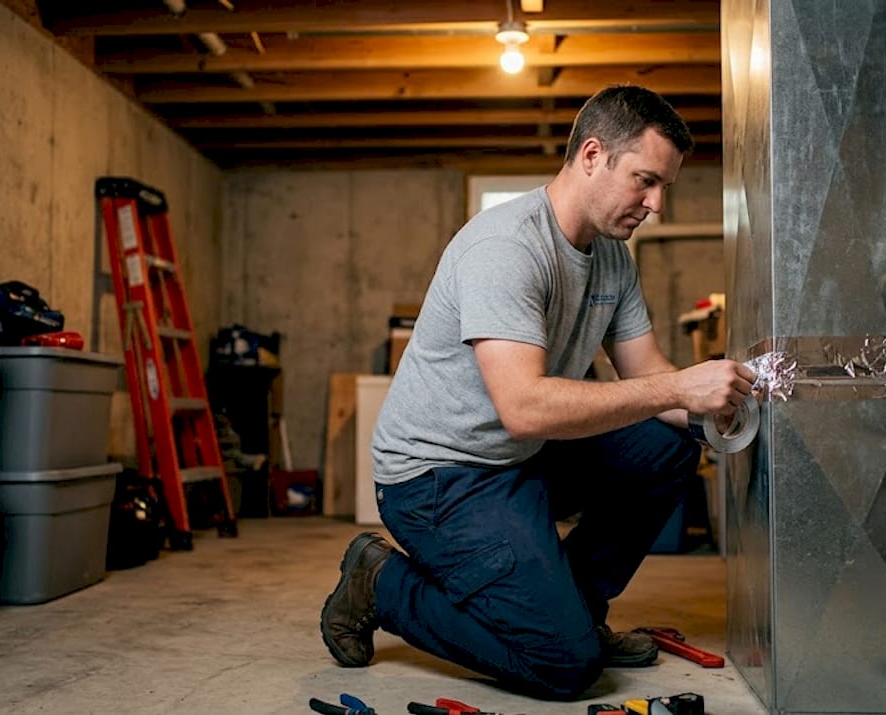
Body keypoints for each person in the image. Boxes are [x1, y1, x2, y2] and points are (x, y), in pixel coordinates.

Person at [319, 85, 757, 700]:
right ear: (593, 155)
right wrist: (680, 386)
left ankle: (577, 609)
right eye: (646, 181)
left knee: (667, 447)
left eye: (664, 187)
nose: (656, 204)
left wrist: (723, 411)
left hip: (523, 456)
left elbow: (649, 375)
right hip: (440, 478)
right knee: (564, 666)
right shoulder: (507, 248)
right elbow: (524, 408)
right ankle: (381, 583)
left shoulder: (612, 258)